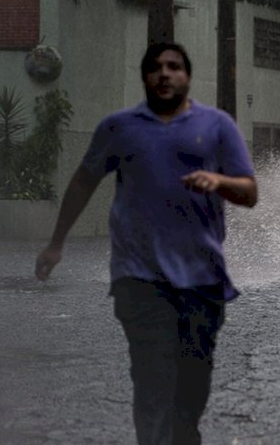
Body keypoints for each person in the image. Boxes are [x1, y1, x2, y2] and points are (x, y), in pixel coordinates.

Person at [34, 42, 258, 444]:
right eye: (155, 67)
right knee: (153, 380)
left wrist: (219, 181)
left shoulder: (218, 125)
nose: (164, 74)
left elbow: (250, 193)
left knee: (192, 385)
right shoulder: (119, 128)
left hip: (202, 280)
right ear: (145, 77)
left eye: (174, 67)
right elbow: (84, 181)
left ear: (187, 76)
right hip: (138, 278)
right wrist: (56, 243)